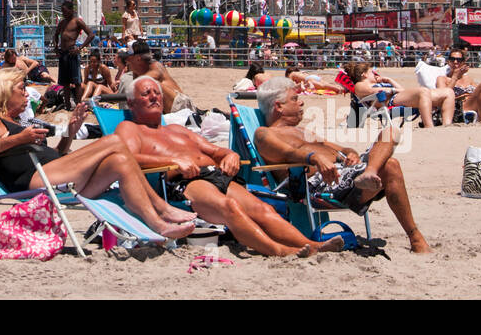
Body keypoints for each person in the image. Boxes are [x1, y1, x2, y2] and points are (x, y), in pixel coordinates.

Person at [114, 76, 343, 256]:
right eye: (147, 94)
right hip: (182, 182)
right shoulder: (130, 129)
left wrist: (230, 154)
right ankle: (279, 250)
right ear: (132, 103)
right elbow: (127, 157)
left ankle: (311, 245)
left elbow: (216, 151)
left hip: (215, 175)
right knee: (230, 207)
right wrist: (173, 162)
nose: (155, 97)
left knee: (263, 210)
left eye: (157, 92)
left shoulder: (177, 130)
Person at [0, 70, 197, 241]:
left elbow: (57, 155)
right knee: (114, 141)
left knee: (119, 160)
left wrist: (70, 130)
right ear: (4, 92)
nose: (26, 93)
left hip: (55, 177)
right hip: (36, 183)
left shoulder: (19, 122)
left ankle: (158, 223)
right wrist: (20, 138)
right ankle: (162, 210)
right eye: (21, 88)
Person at [252, 75, 430, 253]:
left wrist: (350, 154)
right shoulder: (264, 134)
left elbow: (343, 149)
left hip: (347, 172)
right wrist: (314, 157)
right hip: (320, 185)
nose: (301, 103)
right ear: (278, 106)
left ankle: (370, 172)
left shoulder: (302, 131)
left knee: (391, 131)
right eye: (295, 99)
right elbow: (288, 153)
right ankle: (416, 239)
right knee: (391, 165)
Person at [345, 62, 454, 128]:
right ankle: (429, 126)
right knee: (422, 91)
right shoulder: (359, 85)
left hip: (399, 97)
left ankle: (446, 126)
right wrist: (392, 89)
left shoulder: (379, 83)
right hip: (391, 101)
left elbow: (401, 90)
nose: (375, 73)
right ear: (364, 74)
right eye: (372, 72)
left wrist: (389, 80)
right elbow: (373, 91)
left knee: (448, 92)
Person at [127, 39, 192, 114]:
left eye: (129, 57)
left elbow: (138, 84)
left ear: (138, 58)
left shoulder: (155, 66)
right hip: (169, 107)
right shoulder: (138, 71)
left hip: (180, 105)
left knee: (150, 84)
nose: (127, 60)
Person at [53, 0, 92, 108]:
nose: (63, 13)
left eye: (65, 11)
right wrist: (56, 47)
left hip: (72, 52)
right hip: (63, 53)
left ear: (71, 10)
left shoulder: (77, 21)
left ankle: (79, 104)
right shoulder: (62, 23)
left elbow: (91, 34)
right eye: (62, 12)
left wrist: (80, 48)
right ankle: (67, 105)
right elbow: (55, 35)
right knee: (65, 82)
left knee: (76, 81)